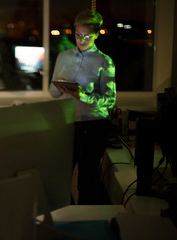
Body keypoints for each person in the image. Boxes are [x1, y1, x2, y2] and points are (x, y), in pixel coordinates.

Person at [49, 9, 116, 204]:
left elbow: (110, 100)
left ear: (96, 34)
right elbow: (52, 92)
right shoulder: (63, 56)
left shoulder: (104, 61)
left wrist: (82, 96)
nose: (82, 40)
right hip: (66, 123)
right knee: (60, 178)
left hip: (93, 125)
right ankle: (64, 221)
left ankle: (86, 223)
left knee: (86, 181)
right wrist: (61, 86)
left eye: (88, 36)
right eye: (78, 35)